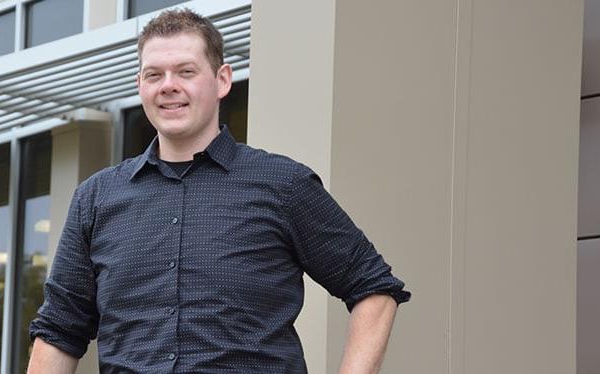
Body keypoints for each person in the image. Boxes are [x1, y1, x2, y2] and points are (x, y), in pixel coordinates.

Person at [28, 8, 410, 373]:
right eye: (153, 75)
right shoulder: (96, 199)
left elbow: (373, 287)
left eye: (186, 71)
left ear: (222, 80)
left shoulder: (282, 185)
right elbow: (60, 330)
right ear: (139, 86)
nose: (169, 86)